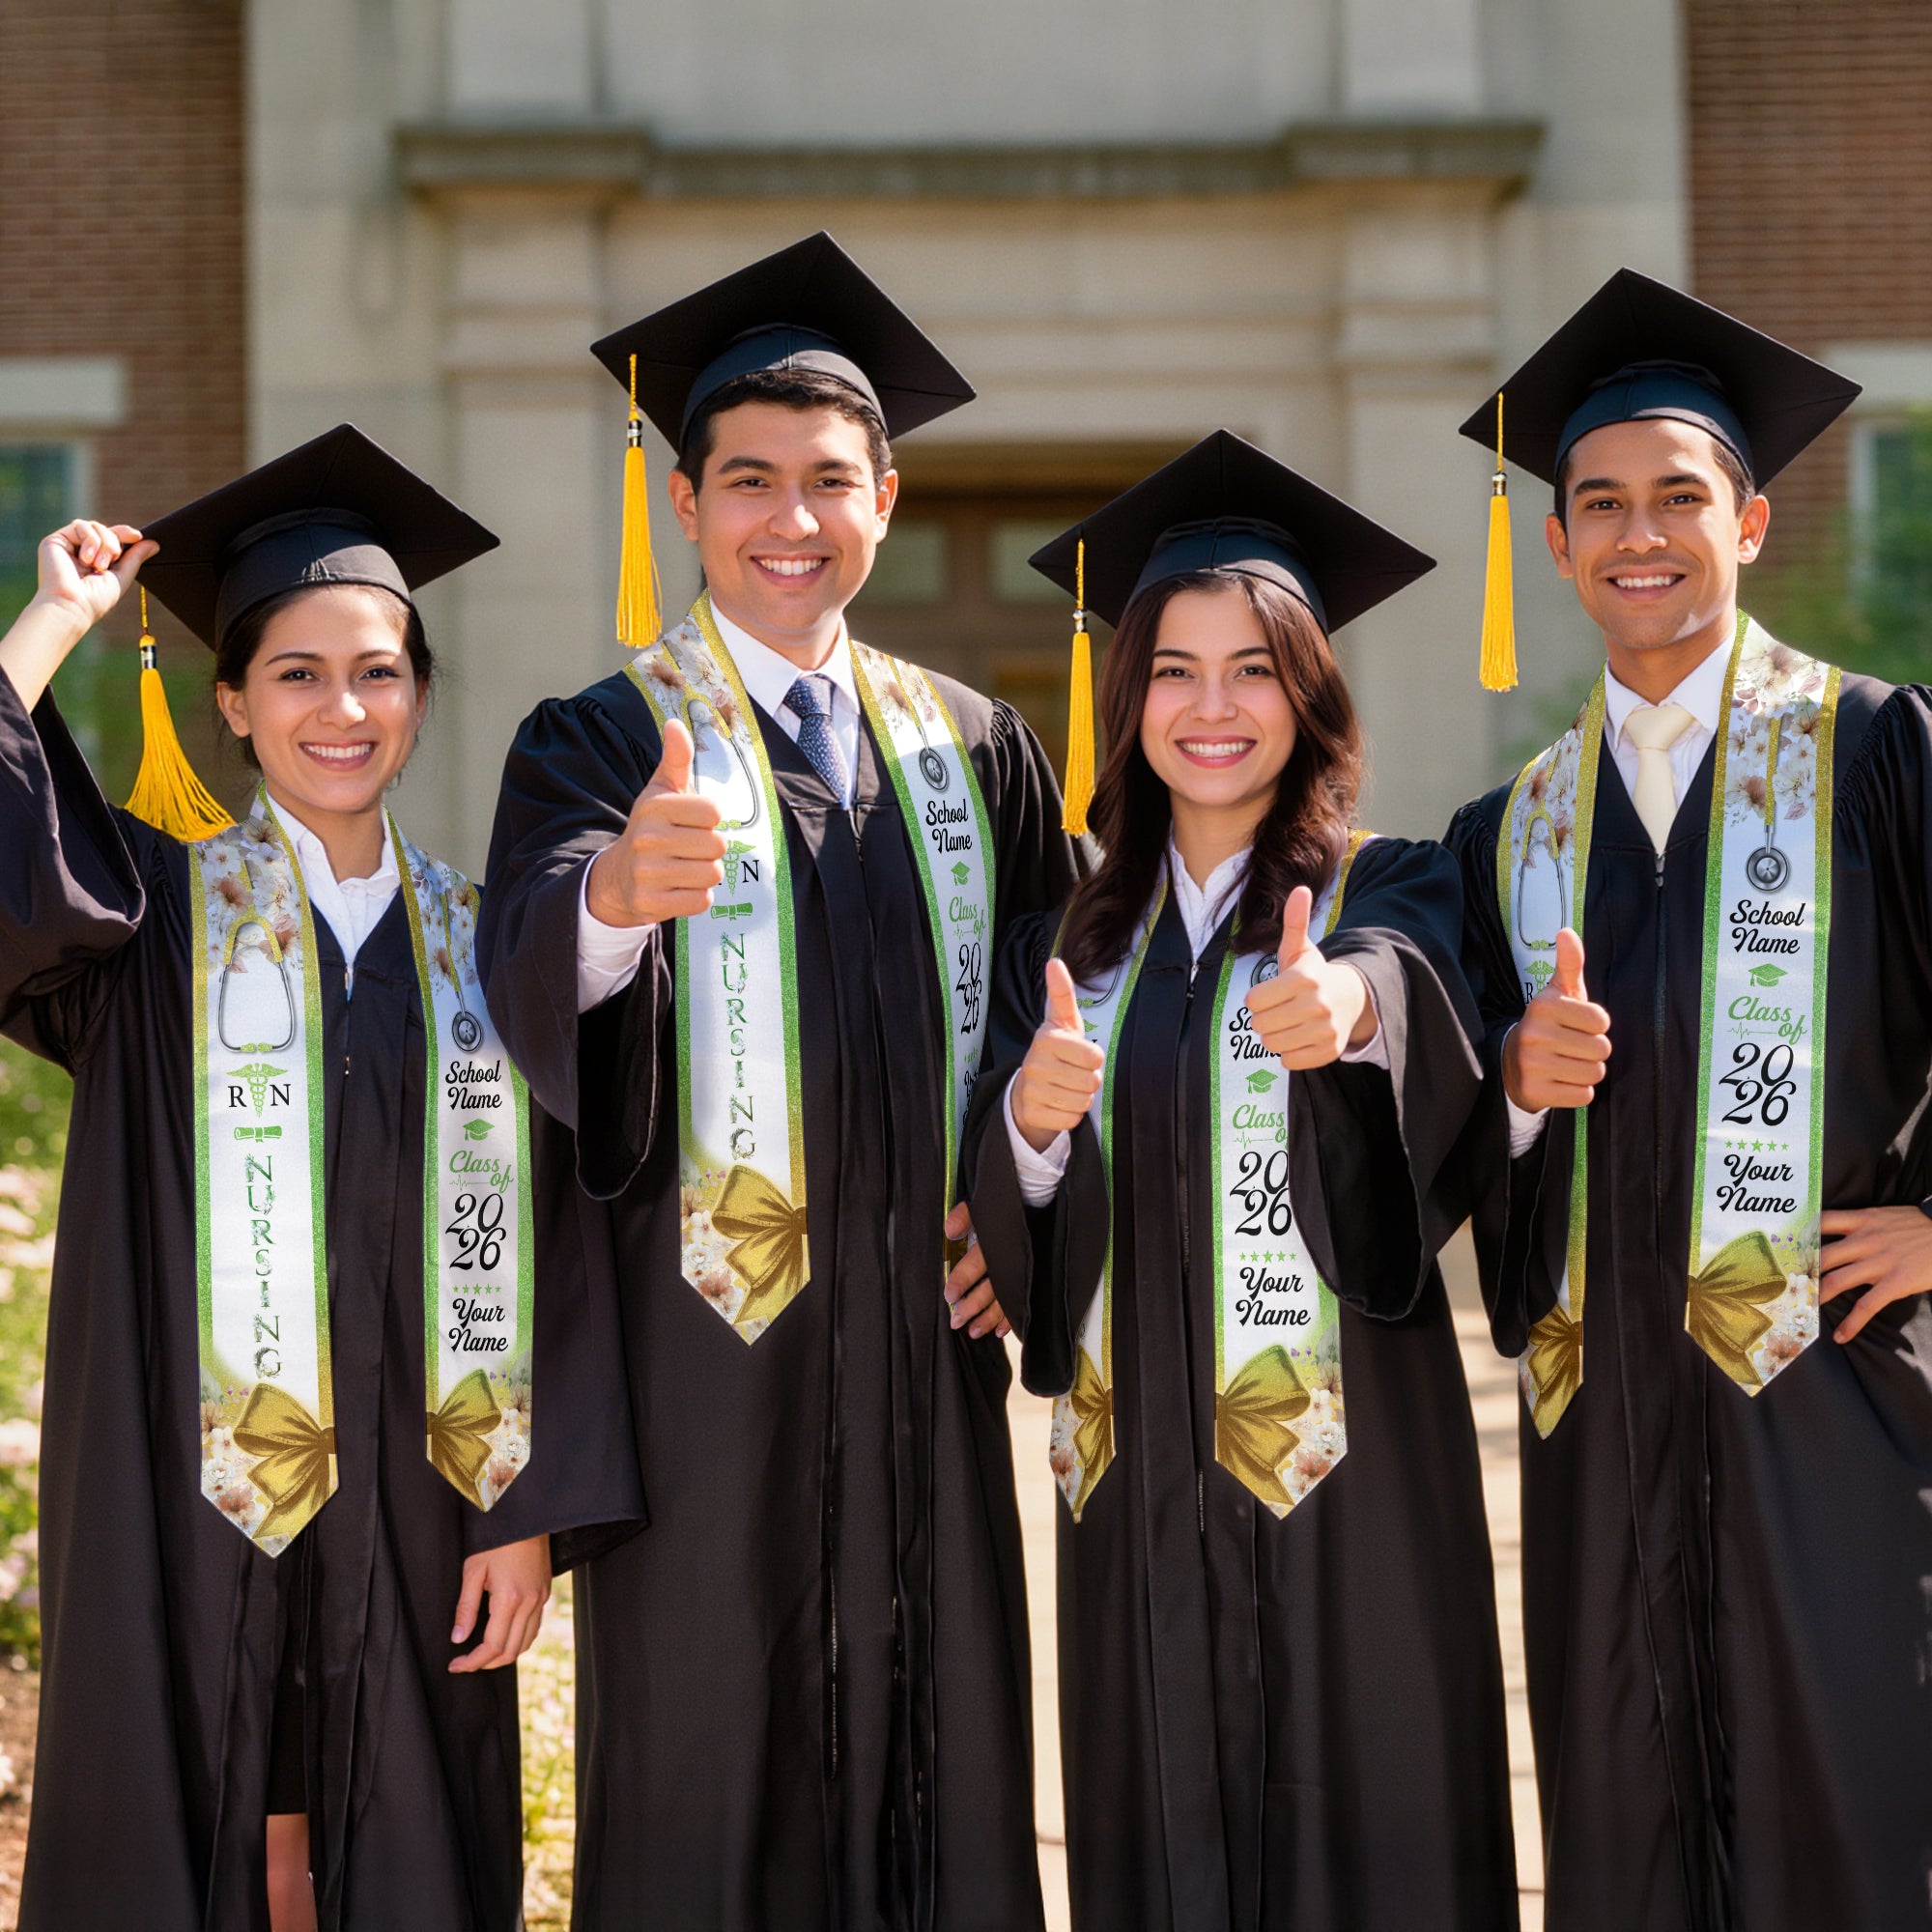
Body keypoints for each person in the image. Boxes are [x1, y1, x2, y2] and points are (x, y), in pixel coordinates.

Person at [477, 233, 1082, 1931]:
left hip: (925, 1361)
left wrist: (1023, 1203)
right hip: (708, 1375)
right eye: (749, 481)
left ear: (886, 498)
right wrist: (609, 900)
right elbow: (525, 965)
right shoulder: (597, 739)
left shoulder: (976, 747)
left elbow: (1074, 1007)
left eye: (831, 481)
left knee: (942, 1766)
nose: (790, 519)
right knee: (709, 1784)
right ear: (686, 503)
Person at [0, 425, 641, 1932]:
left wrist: (525, 1505)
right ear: (230, 702)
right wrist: (51, 624)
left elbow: (561, 1232)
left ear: (419, 694)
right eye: (295, 673)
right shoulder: (148, 921)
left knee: (406, 1832)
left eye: (378, 671)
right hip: (183, 1481)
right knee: (193, 1807)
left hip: (426, 1498)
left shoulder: (493, 946)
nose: (341, 708)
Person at [963, 431, 1518, 1931]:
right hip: (1135, 1479)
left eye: (1256, 668)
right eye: (1175, 670)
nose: (1214, 709)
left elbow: (1414, 989)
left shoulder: (1389, 885)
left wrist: (1349, 1014)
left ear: (1311, 692)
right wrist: (1025, 1117)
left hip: (1356, 1485)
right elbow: (1014, 1216)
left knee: (1376, 1838)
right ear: (1127, 695)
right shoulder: (1064, 945)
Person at [1446, 269, 1932, 1931]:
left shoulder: (1875, 753)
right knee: (1625, 1826)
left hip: (1835, 1403)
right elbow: (1449, 1138)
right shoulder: (1508, 831)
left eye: (1677, 497)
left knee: (1852, 1811)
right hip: (1603, 1430)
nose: (1637, 534)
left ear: (1753, 519)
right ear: (1562, 544)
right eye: (1599, 505)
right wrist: (1512, 1089)